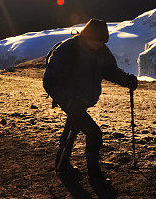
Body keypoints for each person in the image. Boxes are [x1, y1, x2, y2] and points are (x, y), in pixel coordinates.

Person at [43, 19, 138, 183]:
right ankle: (94, 174)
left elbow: (109, 70)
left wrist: (126, 80)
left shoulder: (100, 49)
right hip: (70, 99)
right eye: (97, 42)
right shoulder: (68, 49)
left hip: (82, 99)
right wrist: (70, 101)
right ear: (86, 36)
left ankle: (62, 165)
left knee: (73, 126)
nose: (100, 45)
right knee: (94, 133)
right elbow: (50, 81)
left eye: (102, 42)